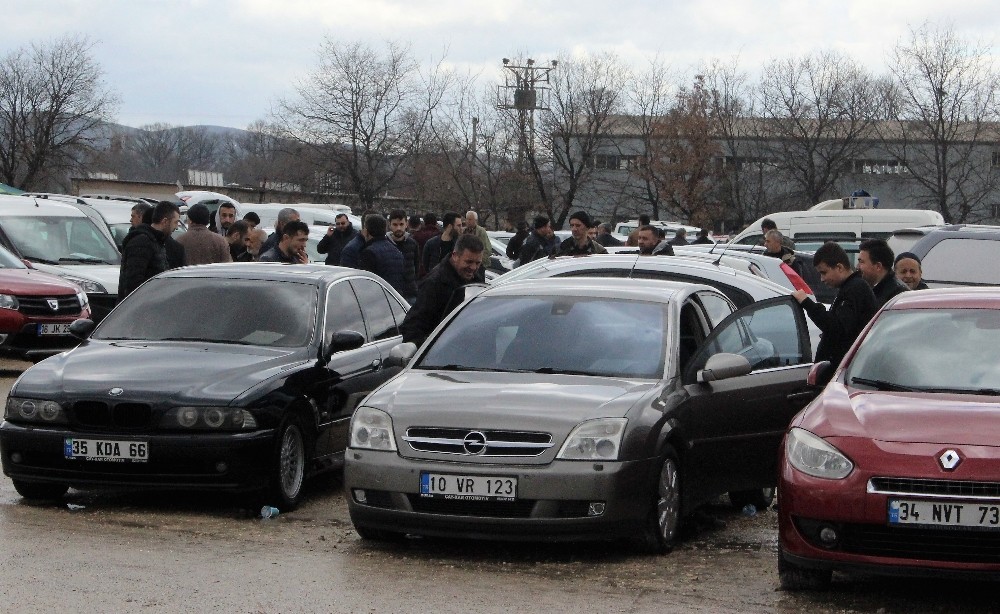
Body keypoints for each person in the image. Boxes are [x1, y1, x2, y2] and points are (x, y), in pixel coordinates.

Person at [792, 241, 877, 366]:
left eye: (824, 272)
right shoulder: (850, 288)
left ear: (839, 267)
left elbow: (836, 327)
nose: (822, 279)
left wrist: (807, 303)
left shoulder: (855, 289)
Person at [400, 234, 484, 346]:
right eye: (468, 262)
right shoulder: (434, 283)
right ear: (455, 256)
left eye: (477, 263)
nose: (473, 268)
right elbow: (413, 327)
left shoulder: (476, 280)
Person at [118, 201, 180, 298]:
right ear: (165, 221)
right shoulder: (142, 242)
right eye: (175, 222)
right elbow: (133, 283)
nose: (176, 227)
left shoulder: (157, 241)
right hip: (140, 307)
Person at [357, 214, 409, 298]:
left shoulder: (369, 253)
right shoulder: (397, 251)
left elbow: (365, 284)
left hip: (377, 300)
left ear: (366, 231)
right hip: (395, 299)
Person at [857, 238, 909, 309]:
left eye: (861, 262)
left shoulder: (897, 296)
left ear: (878, 266)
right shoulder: (869, 290)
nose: (857, 267)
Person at [387, 209, 419, 303]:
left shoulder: (413, 243)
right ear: (390, 225)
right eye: (395, 224)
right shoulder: (385, 244)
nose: (398, 228)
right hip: (391, 294)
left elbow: (417, 266)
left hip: (410, 293)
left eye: (401, 224)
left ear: (406, 224)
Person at [421, 212, 463, 277]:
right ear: (450, 226)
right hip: (435, 282)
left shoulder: (460, 245)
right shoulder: (431, 244)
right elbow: (426, 265)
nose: (461, 228)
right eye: (458, 225)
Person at [465, 210, 492, 281]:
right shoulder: (463, 231)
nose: (467, 221)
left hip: (478, 266)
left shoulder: (481, 231)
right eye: (466, 219)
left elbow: (487, 249)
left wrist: (479, 262)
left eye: (470, 219)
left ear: (475, 220)